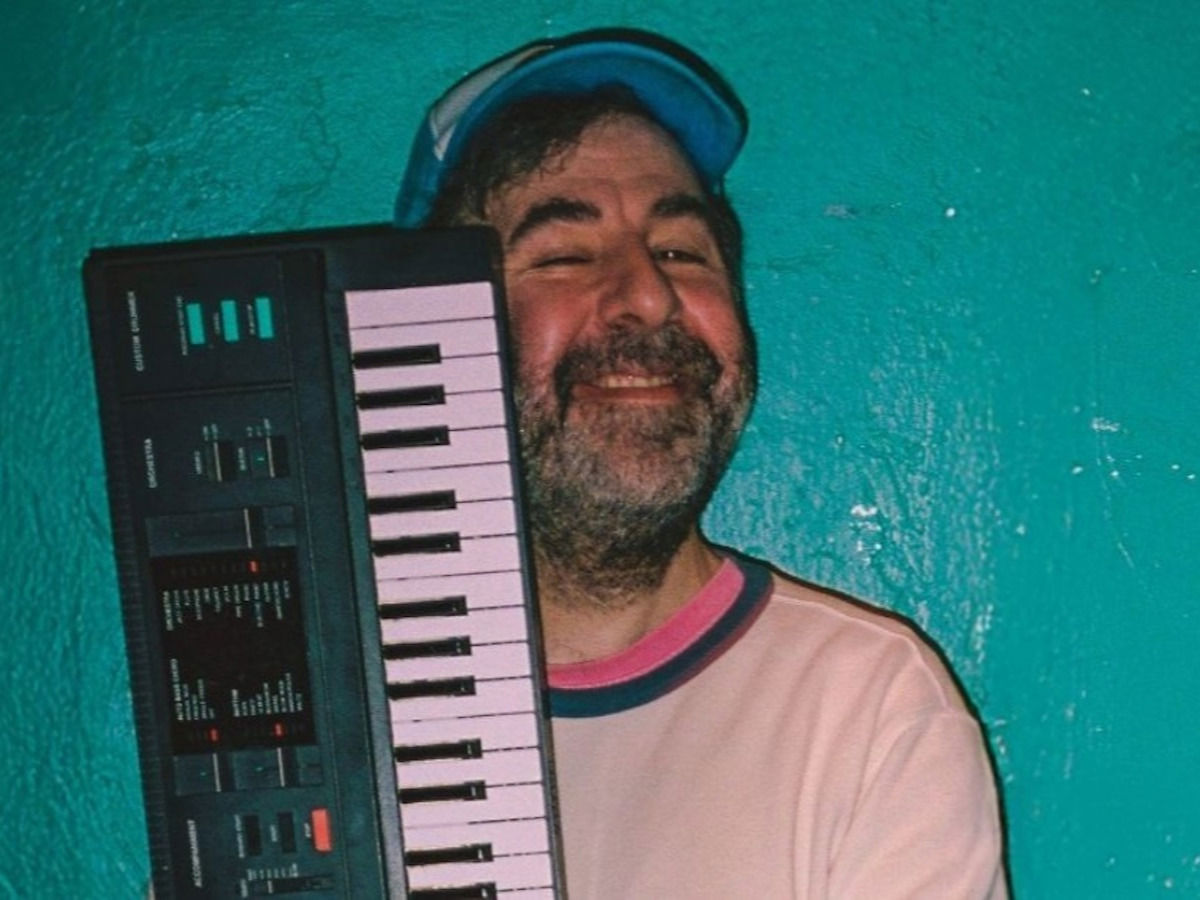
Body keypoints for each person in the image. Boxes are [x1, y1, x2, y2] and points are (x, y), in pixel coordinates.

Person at [394, 28, 1008, 899]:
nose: (649, 296)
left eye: (682, 252)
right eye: (565, 254)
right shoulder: (322, 714)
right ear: (426, 333)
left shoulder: (869, 713)